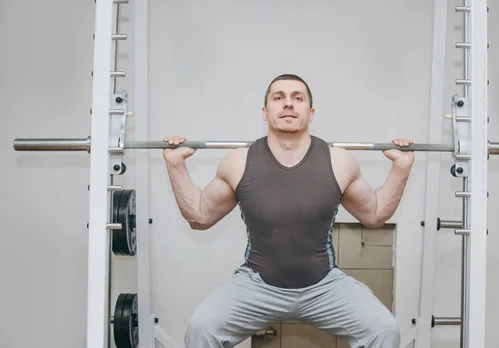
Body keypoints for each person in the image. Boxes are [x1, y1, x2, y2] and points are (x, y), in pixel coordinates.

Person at [162, 74, 414, 348]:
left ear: (311, 112)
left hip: (324, 286)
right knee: (201, 329)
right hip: (257, 285)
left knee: (385, 330)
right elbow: (200, 217)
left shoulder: (339, 161)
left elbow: (374, 215)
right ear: (265, 111)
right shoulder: (238, 162)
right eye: (278, 97)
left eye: (298, 98)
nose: (288, 104)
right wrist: (175, 165)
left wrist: (401, 168)